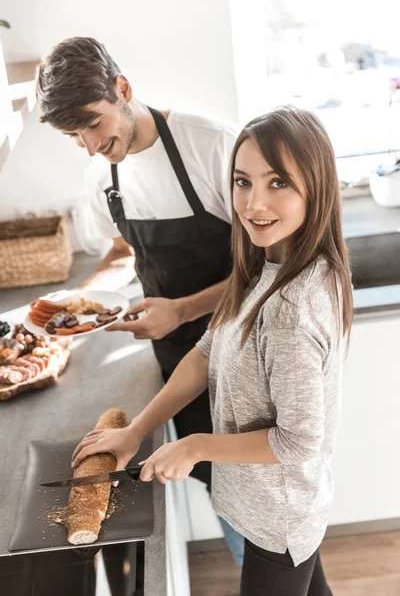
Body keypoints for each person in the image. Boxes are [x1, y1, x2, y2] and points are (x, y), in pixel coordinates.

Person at [72, 106, 353, 595]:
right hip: (272, 508)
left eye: (278, 183)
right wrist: (138, 430)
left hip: (278, 520)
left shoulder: (292, 306)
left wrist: (196, 445)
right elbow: (207, 350)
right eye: (242, 182)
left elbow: (299, 442)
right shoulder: (263, 262)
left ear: (317, 187)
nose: (253, 203)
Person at [36, 37, 244, 565]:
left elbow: (269, 270)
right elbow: (124, 249)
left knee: (255, 500)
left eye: (94, 126)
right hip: (177, 359)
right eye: (72, 136)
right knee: (219, 488)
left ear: (123, 89)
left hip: (245, 353)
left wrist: (183, 308)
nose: (88, 146)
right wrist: (84, 303)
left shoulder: (213, 145)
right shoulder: (102, 174)